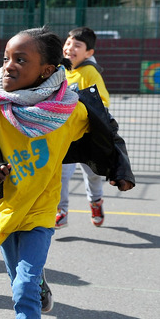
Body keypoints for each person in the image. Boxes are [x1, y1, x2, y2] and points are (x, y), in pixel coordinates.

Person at [0, 27, 134, 319]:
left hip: (41, 206)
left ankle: (33, 287)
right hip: (4, 205)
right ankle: (38, 284)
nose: (9, 65)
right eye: (6, 58)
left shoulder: (68, 110)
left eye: (21, 60)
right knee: (22, 282)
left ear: (46, 70)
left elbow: (105, 131)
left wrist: (119, 169)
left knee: (22, 289)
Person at [57, 27, 110, 228]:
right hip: (66, 136)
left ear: (89, 53)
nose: (70, 48)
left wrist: (79, 105)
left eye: (77, 45)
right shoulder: (60, 70)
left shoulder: (89, 72)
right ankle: (61, 211)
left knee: (93, 174)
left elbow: (103, 101)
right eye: (68, 43)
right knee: (61, 174)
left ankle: (96, 202)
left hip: (88, 136)